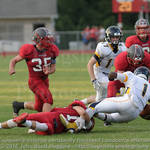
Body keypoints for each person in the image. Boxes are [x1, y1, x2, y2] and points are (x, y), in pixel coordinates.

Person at [61, 66, 150, 130]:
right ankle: (88, 123)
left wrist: (111, 76)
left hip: (127, 102)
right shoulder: (149, 86)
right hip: (133, 115)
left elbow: (115, 75)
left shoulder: (132, 75)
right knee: (109, 118)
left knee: (94, 106)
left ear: (137, 73)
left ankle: (77, 124)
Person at [9, 27, 59, 116]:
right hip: (34, 81)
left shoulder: (52, 50)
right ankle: (44, 123)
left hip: (45, 81)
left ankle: (18, 105)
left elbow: (53, 68)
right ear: (38, 40)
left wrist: (49, 71)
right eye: (46, 39)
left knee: (39, 107)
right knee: (48, 99)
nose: (49, 41)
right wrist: (12, 68)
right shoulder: (29, 50)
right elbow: (14, 60)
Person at [81, 26, 126, 105]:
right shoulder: (102, 47)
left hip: (108, 73)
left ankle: (79, 102)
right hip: (99, 72)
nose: (115, 39)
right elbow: (90, 64)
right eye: (113, 37)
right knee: (114, 88)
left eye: (117, 37)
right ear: (108, 37)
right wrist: (93, 80)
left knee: (100, 99)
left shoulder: (122, 47)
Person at [0, 101, 94, 135]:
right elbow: (85, 116)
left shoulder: (76, 108)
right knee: (46, 127)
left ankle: (23, 122)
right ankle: (26, 123)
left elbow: (82, 112)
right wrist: (82, 121)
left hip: (52, 116)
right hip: (57, 127)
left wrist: (82, 117)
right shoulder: (84, 123)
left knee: (18, 121)